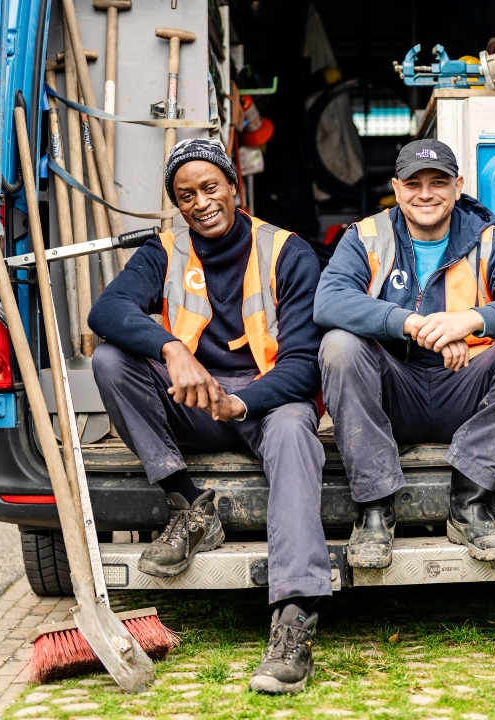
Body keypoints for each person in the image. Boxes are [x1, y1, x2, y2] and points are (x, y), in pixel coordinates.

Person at [88, 138, 327, 694]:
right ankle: (190, 507)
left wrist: (244, 400)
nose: (200, 202)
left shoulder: (287, 251)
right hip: (194, 399)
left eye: (209, 187)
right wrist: (172, 348)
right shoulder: (162, 252)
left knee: (296, 431)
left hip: (265, 403)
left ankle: (294, 619)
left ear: (234, 186)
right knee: (111, 358)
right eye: (185, 194)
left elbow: (305, 365)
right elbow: (108, 310)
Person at [314, 138, 495, 569]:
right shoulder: (366, 237)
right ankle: (375, 512)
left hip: (467, 394)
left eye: (438, 182)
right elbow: (329, 302)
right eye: (413, 183)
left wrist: (470, 320)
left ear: (458, 185)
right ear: (396, 187)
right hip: (395, 395)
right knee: (339, 344)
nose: (425, 193)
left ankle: (470, 506)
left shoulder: (489, 242)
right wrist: (412, 325)